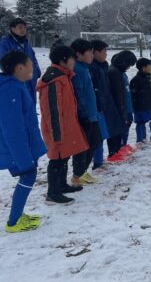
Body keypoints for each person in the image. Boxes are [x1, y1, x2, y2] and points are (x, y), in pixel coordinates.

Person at [0, 51, 47, 232]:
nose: (33, 68)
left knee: (28, 176)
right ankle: (14, 222)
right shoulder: (9, 89)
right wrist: (23, 158)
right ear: (19, 67)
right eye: (30, 64)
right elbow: (12, 128)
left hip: (21, 146)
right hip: (15, 148)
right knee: (28, 174)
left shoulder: (15, 85)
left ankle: (18, 215)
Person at [37, 45, 90, 205]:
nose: (74, 61)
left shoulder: (63, 76)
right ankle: (52, 193)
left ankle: (61, 185)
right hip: (58, 129)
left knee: (64, 157)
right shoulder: (54, 80)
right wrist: (56, 133)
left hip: (66, 126)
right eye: (72, 58)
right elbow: (52, 110)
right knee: (57, 160)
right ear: (63, 60)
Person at [69, 39, 102, 186]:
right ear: (78, 54)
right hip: (85, 116)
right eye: (89, 52)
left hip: (92, 114)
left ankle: (81, 172)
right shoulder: (77, 70)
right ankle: (77, 175)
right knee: (82, 146)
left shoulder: (84, 68)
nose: (92, 55)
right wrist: (84, 115)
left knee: (94, 141)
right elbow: (78, 95)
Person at [89, 40, 125, 171]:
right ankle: (97, 163)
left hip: (107, 103)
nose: (106, 54)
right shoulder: (91, 68)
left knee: (104, 132)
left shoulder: (103, 66)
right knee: (98, 136)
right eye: (104, 51)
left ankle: (102, 159)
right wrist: (99, 104)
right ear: (96, 52)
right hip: (98, 107)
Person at [0, 17, 41, 105]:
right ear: (12, 28)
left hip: (30, 79)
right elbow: (4, 62)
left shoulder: (26, 43)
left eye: (24, 28)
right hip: (17, 80)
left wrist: (37, 71)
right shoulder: (5, 43)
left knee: (30, 105)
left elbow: (33, 58)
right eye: (20, 27)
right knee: (20, 105)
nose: (23, 30)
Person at [108, 50, 137, 161]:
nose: (129, 68)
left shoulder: (120, 72)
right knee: (118, 130)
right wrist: (122, 109)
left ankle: (121, 147)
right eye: (128, 65)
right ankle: (114, 151)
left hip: (126, 106)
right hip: (120, 108)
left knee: (125, 127)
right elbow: (117, 93)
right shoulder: (114, 72)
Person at [130, 58, 151, 145]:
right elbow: (133, 93)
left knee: (144, 121)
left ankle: (143, 138)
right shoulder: (136, 79)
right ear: (143, 67)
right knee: (140, 122)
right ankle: (140, 139)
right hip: (139, 105)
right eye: (149, 66)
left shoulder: (147, 77)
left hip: (146, 104)